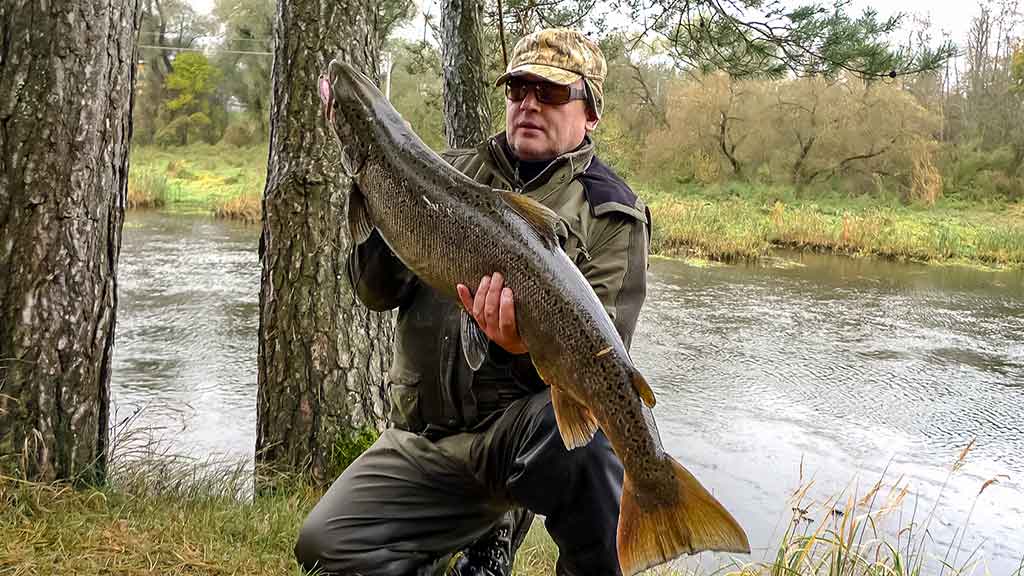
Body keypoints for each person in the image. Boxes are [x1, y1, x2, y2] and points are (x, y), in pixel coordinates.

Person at [294, 28, 651, 576]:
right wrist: (378, 199)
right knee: (324, 546)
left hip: (517, 444)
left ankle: (515, 524)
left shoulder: (612, 215)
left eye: (551, 92)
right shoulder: (443, 172)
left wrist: (518, 347)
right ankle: (464, 538)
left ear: (591, 112)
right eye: (518, 89)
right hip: (427, 441)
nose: (528, 103)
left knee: (593, 441)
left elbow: (602, 367)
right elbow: (374, 293)